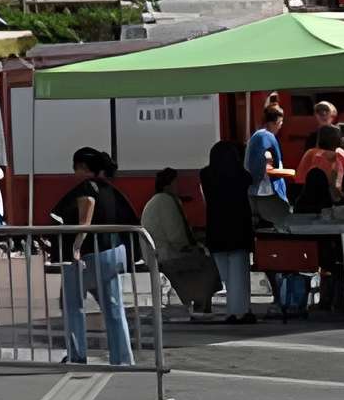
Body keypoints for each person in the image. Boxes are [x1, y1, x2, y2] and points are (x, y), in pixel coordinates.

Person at [51, 147, 137, 367]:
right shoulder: (111, 189)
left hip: (89, 255)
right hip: (114, 252)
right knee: (114, 308)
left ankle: (76, 355)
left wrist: (77, 245)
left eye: (75, 167)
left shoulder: (87, 187)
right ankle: (122, 358)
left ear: (82, 167)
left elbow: (86, 211)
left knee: (72, 305)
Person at [139, 167, 220, 316]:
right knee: (208, 263)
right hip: (166, 255)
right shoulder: (166, 201)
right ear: (168, 184)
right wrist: (194, 246)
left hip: (155, 254)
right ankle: (201, 306)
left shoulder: (156, 201)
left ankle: (199, 303)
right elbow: (176, 237)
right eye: (176, 183)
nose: (179, 186)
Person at [200, 131, 257, 324]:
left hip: (216, 229)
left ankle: (234, 311)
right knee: (239, 272)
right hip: (238, 228)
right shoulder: (242, 176)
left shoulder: (205, 175)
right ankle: (239, 311)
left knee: (227, 275)